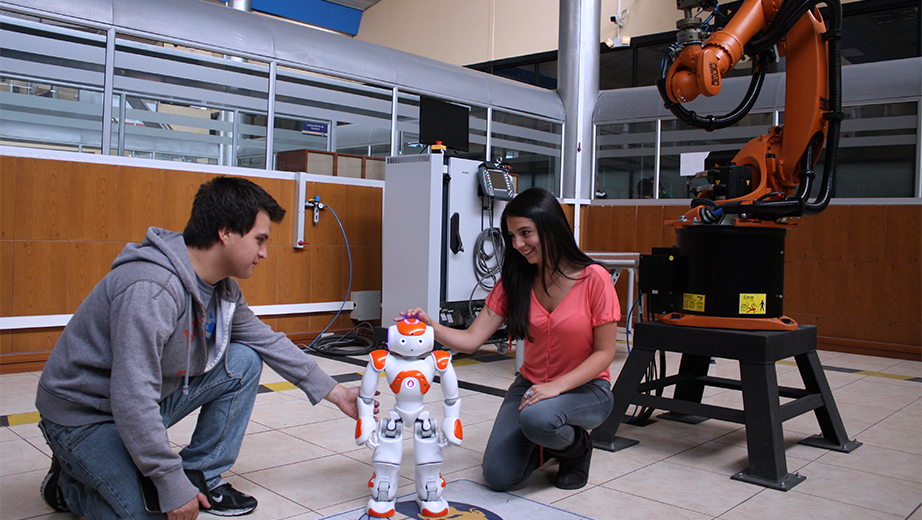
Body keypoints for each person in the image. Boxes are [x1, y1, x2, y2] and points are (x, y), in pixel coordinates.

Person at [36, 176, 369, 519]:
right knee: (151, 512)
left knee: (244, 361)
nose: (264, 253)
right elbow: (132, 398)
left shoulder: (222, 288)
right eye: (260, 240)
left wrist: (336, 392)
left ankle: (203, 473)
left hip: (138, 403)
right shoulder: (151, 288)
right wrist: (169, 483)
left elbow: (266, 340)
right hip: (84, 416)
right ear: (225, 232)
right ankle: (67, 485)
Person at [402, 187, 619, 492]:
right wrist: (430, 325)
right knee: (499, 476)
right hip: (530, 388)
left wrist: (554, 387)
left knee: (538, 418)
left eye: (525, 233)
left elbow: (604, 353)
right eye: (511, 236)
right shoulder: (514, 281)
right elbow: (471, 339)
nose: (517, 244)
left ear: (551, 227)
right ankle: (546, 441)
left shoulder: (594, 278)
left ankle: (576, 449)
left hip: (587, 390)